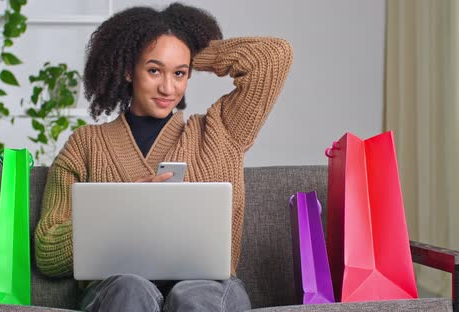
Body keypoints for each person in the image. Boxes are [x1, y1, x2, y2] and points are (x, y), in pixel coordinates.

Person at [34, 2, 292, 311]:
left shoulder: (222, 130)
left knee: (192, 297)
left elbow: (273, 57)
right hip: (120, 290)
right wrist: (126, 207)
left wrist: (189, 47)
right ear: (129, 69)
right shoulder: (85, 145)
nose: (168, 87)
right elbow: (48, 251)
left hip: (209, 289)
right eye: (154, 69)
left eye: (180, 73)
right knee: (131, 288)